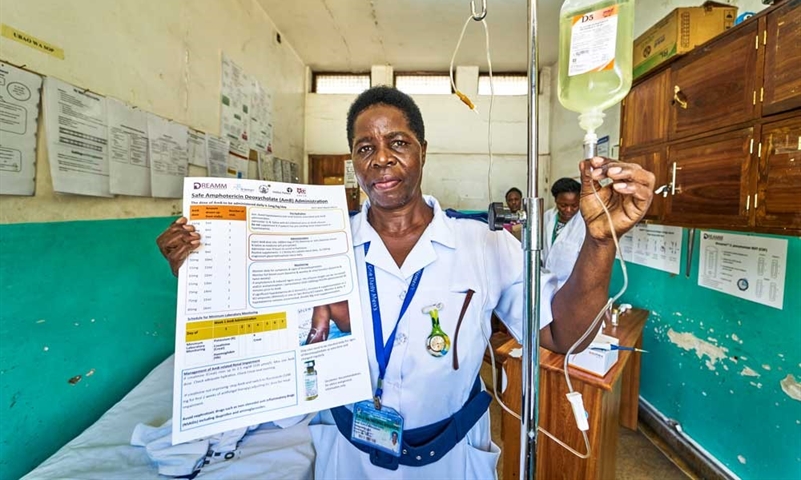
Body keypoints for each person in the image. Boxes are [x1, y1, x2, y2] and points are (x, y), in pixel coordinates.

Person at [156, 86, 654, 479]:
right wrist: (203, 276)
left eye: (397, 143)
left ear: (422, 151)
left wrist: (600, 241)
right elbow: (263, 331)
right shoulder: (316, 245)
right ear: (354, 162)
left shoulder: (484, 244)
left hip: (452, 454)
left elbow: (563, 336)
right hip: (349, 452)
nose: (381, 158)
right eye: (365, 148)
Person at [542, 177, 586, 287]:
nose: (568, 210)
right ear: (556, 200)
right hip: (546, 279)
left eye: (574, 205)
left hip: (570, 285)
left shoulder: (584, 223)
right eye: (563, 205)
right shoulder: (548, 216)